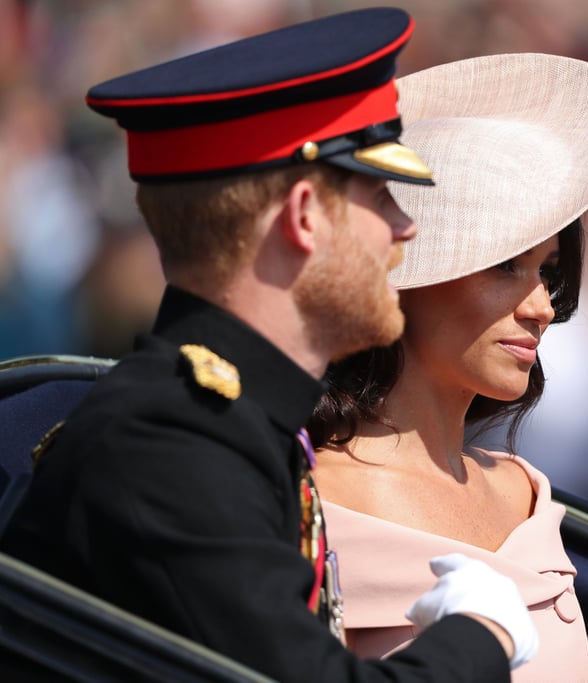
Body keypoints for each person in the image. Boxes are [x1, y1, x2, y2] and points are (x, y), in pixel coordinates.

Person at [0, 8, 537, 682]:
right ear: (305, 216)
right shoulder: (169, 441)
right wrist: (478, 636)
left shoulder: (228, 423)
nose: (404, 230)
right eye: (381, 195)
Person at [306, 53, 588, 681]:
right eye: (505, 266)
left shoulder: (526, 492)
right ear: (404, 275)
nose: (543, 306)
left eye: (545, 271)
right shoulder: (308, 498)